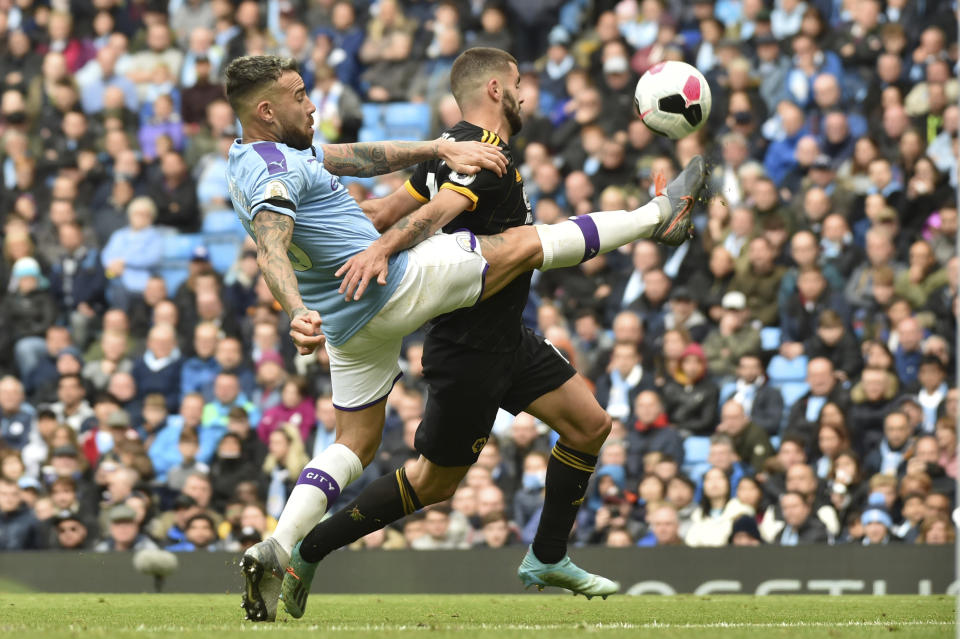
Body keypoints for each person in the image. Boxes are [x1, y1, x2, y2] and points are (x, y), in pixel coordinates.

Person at [224, 53, 704, 622]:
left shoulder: (277, 152)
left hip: (371, 322)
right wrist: (302, 304)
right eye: (300, 95)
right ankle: (658, 217)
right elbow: (272, 243)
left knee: (362, 441)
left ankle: (281, 547)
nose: (311, 103)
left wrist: (434, 151)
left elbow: (363, 172)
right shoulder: (275, 171)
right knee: (524, 246)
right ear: (265, 111)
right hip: (427, 315)